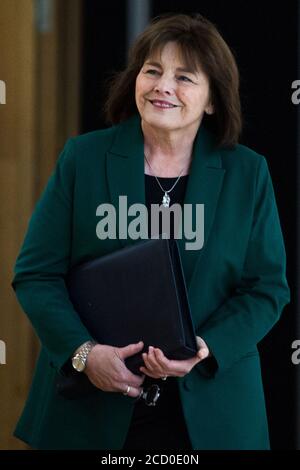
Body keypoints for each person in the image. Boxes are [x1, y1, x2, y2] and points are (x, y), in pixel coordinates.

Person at [12, 13, 290, 450]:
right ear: (135, 80)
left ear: (213, 99)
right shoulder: (83, 158)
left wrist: (204, 348)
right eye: (153, 71)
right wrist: (85, 355)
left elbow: (267, 288)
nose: (163, 86)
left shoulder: (248, 173)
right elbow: (36, 274)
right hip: (91, 410)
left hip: (214, 415)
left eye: (184, 77)